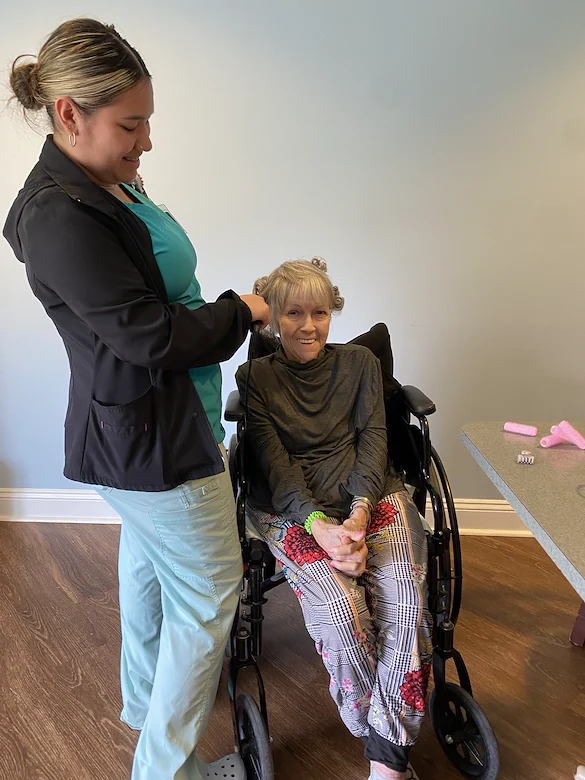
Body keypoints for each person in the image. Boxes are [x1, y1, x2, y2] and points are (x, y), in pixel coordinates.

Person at [3, 18, 270, 780]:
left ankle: (145, 712)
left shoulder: (102, 178)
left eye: (146, 120)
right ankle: (165, 772)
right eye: (130, 123)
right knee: (211, 592)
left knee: (151, 573)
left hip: (160, 421)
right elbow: (149, 337)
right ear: (68, 115)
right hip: (152, 438)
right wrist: (243, 310)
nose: (146, 140)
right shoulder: (58, 215)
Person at [236, 258, 432, 780]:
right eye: (293, 313)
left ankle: (386, 765)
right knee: (346, 615)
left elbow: (375, 441)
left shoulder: (360, 365)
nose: (308, 325)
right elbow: (275, 464)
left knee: (407, 605)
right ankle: (385, 736)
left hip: (374, 497)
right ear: (272, 318)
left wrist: (362, 512)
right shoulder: (255, 377)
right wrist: (321, 526)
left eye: (319, 312)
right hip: (291, 510)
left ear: (333, 313)